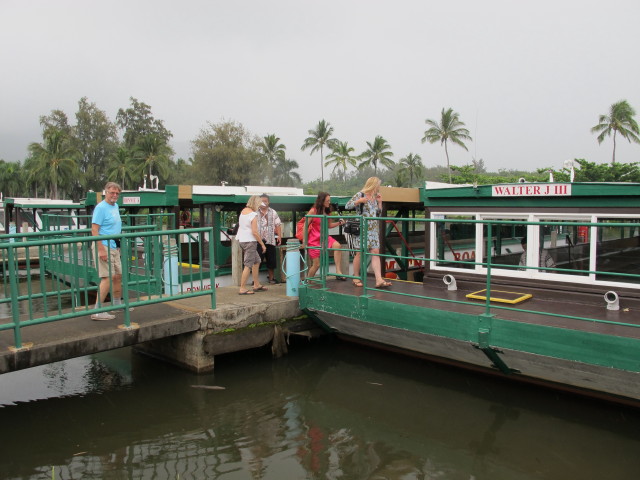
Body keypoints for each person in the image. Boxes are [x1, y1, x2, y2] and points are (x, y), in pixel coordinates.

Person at [345, 176, 391, 288]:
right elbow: (347, 206)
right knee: (360, 253)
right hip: (362, 228)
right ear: (373, 185)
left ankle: (379, 279)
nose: (378, 188)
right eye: (378, 185)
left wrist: (380, 203)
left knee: (375, 252)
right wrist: (358, 201)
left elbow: (377, 214)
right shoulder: (360, 194)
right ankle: (356, 276)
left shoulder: (374, 198)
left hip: (373, 229)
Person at [91, 182, 123, 320]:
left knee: (117, 275)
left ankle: (116, 304)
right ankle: (97, 311)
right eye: (112, 192)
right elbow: (94, 230)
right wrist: (101, 250)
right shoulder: (101, 208)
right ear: (106, 192)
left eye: (117, 193)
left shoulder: (115, 206)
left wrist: (117, 246)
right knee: (107, 277)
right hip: (104, 245)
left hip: (114, 245)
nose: (114, 195)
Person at [304, 192, 347, 280]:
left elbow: (329, 225)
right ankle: (308, 281)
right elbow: (305, 226)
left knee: (338, 246)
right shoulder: (313, 211)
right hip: (314, 240)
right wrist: (304, 242)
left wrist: (339, 223)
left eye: (329, 201)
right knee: (316, 265)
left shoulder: (328, 212)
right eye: (327, 201)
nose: (329, 202)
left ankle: (338, 271)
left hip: (325, 238)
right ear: (322, 201)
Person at [237, 195, 268, 295]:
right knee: (248, 264)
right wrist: (262, 244)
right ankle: (242, 288)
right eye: (259, 205)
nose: (259, 207)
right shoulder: (253, 215)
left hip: (242, 240)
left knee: (257, 261)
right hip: (250, 241)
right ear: (255, 204)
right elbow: (255, 232)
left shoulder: (243, 212)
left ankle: (256, 284)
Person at [258, 194, 282, 284]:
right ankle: (255, 281)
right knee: (257, 261)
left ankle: (271, 278)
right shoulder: (255, 212)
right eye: (262, 201)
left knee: (271, 260)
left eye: (265, 201)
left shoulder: (273, 212)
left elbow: (278, 224)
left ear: (268, 202)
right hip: (258, 241)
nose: (263, 203)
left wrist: (279, 236)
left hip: (270, 240)